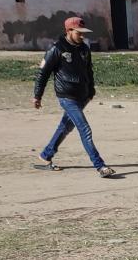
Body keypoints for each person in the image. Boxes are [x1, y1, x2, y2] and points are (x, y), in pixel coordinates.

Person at [33, 16, 115, 178]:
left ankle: (46, 155)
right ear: (69, 31)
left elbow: (88, 71)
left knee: (65, 127)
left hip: (82, 96)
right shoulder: (56, 49)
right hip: (66, 96)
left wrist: (91, 91)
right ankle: (100, 166)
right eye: (79, 33)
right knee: (85, 129)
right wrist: (38, 95)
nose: (82, 36)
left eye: (84, 33)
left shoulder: (84, 49)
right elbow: (43, 73)